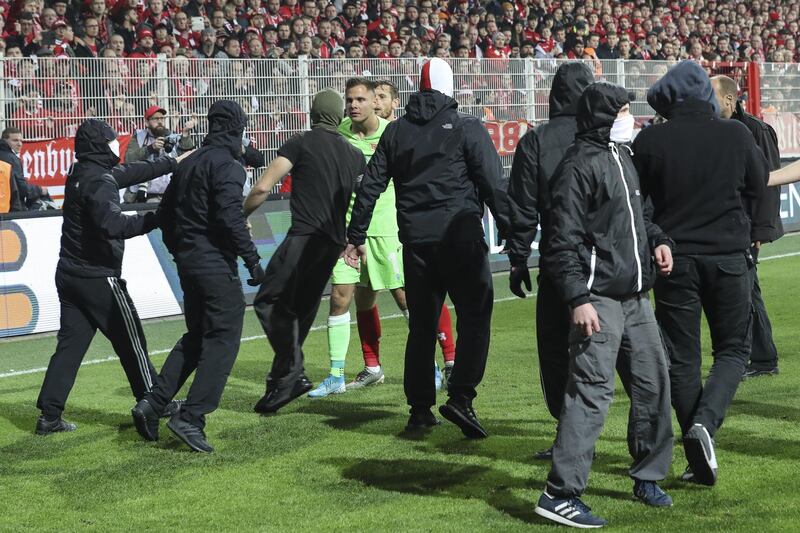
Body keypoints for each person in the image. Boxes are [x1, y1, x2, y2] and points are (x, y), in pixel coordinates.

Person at [345, 58, 510, 437]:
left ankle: (419, 409)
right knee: (474, 317)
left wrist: (356, 236)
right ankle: (462, 398)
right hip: (462, 240)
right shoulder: (467, 127)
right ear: (450, 87)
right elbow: (492, 186)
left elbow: (370, 186)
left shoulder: (396, 131)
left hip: (417, 244)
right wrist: (514, 234)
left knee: (421, 326)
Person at [534, 83, 674, 529]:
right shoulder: (579, 166)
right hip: (598, 298)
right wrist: (577, 297)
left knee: (653, 383)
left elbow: (640, 218)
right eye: (624, 110)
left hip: (636, 298)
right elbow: (560, 241)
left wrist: (659, 241)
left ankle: (648, 475)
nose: (631, 118)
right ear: (603, 115)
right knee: (591, 394)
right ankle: (560, 493)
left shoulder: (623, 158)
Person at [633, 61, 769, 486]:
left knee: (682, 358)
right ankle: (704, 428)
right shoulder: (735, 133)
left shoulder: (651, 139)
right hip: (729, 255)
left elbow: (639, 200)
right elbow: (758, 182)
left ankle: (697, 448)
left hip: (675, 260)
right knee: (732, 351)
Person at [35, 119, 186, 436]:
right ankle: (154, 402)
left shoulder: (82, 172)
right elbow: (113, 226)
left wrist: (171, 163)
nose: (117, 144)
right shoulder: (99, 181)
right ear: (101, 145)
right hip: (97, 276)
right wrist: (157, 217)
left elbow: (127, 174)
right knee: (132, 341)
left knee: (70, 348)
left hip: (69, 273)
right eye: (112, 140)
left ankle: (49, 416)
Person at [131, 101, 261, 453]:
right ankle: (191, 417)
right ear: (236, 129)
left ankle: (153, 404)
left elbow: (165, 213)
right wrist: (252, 261)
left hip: (188, 263)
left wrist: (179, 251)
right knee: (223, 338)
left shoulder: (189, 164)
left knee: (197, 336)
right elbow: (231, 219)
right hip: (215, 265)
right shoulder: (229, 166)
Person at [243, 89, 365, 414]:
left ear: (312, 114)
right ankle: (279, 386)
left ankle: (293, 372)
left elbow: (262, 187)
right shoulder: (355, 156)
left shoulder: (300, 142)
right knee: (299, 313)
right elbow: (362, 199)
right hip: (331, 247)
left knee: (268, 300)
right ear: (339, 116)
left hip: (304, 238)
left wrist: (239, 216)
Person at [343, 79, 458, 394]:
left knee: (410, 297)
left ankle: (443, 361)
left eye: (380, 97)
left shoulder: (399, 133)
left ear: (394, 103)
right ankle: (372, 366)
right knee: (363, 298)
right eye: (372, 96)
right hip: (358, 229)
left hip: (391, 230)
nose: (374, 102)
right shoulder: (345, 132)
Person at [505, 62, 596, 460]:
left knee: (556, 349)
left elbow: (522, 208)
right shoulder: (601, 136)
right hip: (605, 260)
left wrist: (518, 258)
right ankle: (642, 440)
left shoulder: (536, 141)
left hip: (559, 260)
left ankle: (566, 435)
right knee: (618, 352)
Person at [712, 75, 782, 378]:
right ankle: (760, 357)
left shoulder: (756, 130)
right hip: (727, 225)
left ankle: (755, 358)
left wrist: (760, 232)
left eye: (711, 95)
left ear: (729, 98)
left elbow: (769, 183)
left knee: (744, 292)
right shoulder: (716, 130)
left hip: (747, 227)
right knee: (746, 291)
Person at [123, 106, 196, 204]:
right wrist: (150, 148)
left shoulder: (172, 137)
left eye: (162, 118)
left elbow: (187, 157)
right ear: (147, 122)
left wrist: (186, 134)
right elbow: (129, 159)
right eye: (155, 119)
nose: (160, 121)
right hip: (143, 198)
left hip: (170, 195)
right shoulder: (138, 137)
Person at [0, 128, 49, 210]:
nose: (19, 144)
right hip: (11, 208)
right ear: (5, 141)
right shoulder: (11, 159)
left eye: (21, 141)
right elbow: (21, 188)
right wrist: (40, 190)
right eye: (15, 140)